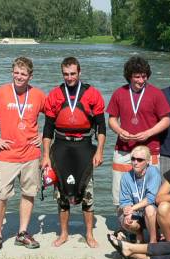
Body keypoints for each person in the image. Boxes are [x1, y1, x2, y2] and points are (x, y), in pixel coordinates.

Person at [0, 56, 45, 254]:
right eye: (16, 72)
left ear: (30, 76)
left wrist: (44, 135)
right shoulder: (0, 93)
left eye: (23, 73)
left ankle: (22, 233)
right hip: (7, 156)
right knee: (1, 196)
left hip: (31, 154)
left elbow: (53, 117)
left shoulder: (38, 95)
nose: (19, 76)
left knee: (29, 193)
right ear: (12, 72)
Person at [42, 56, 106, 248]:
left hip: (84, 146)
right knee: (62, 192)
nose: (69, 77)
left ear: (79, 72)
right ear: (62, 74)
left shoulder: (92, 94)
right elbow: (47, 129)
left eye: (72, 74)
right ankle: (63, 234)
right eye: (65, 74)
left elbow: (101, 127)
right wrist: (45, 155)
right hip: (61, 146)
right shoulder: (54, 95)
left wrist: (99, 151)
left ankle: (89, 234)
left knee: (87, 192)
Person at [107, 56, 170, 205]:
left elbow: (166, 120)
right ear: (129, 76)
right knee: (119, 189)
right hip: (124, 149)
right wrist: (119, 131)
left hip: (150, 149)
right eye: (137, 77)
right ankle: (123, 223)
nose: (141, 80)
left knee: (150, 191)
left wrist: (148, 133)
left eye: (144, 76)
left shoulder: (156, 93)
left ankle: (148, 223)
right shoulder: (119, 93)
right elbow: (111, 119)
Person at [118, 145, 161, 243]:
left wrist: (132, 208)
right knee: (126, 221)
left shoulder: (153, 172)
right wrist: (127, 211)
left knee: (149, 208)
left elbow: (151, 198)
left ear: (147, 161)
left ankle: (153, 240)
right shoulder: (126, 177)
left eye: (140, 160)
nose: (135, 162)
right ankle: (139, 235)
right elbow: (124, 201)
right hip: (136, 212)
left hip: (153, 213)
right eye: (133, 159)